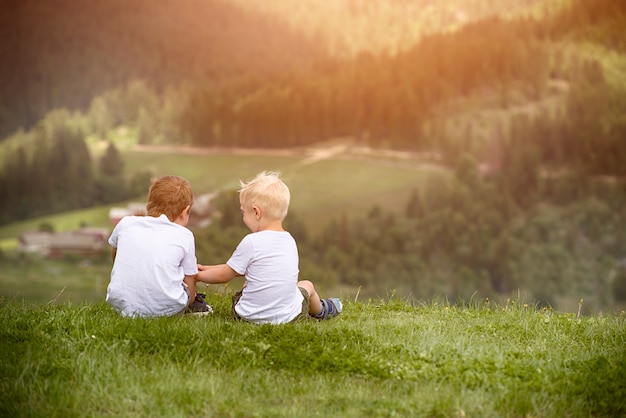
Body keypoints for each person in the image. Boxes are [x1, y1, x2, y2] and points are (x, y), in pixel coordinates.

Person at [196, 171, 342, 324]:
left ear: (256, 212)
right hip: (289, 317)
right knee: (307, 285)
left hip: (248, 317)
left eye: (243, 212)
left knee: (248, 282)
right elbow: (243, 268)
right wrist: (207, 268)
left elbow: (225, 275)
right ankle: (322, 311)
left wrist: (197, 275)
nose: (243, 217)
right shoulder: (289, 240)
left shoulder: (251, 242)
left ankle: (261, 310)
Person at [106, 175, 211, 317]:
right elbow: (189, 282)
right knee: (186, 285)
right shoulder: (184, 235)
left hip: (120, 303)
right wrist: (191, 298)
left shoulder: (125, 224)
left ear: (149, 203)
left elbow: (116, 254)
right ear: (185, 211)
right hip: (168, 309)